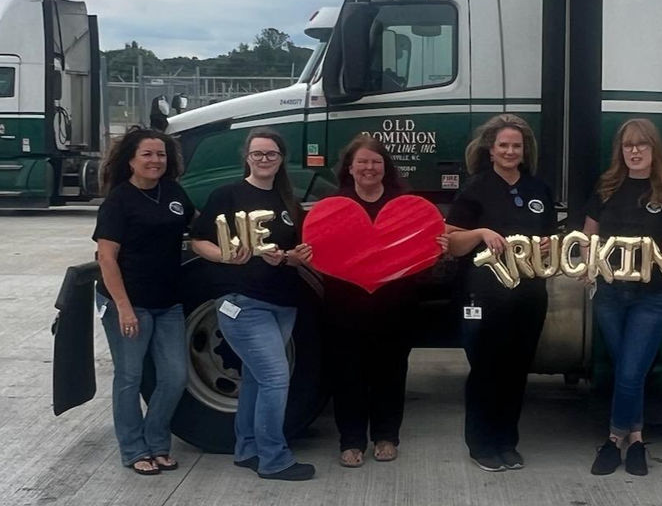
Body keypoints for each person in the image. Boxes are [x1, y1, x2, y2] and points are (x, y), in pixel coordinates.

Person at [584, 119, 662, 477]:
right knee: (630, 370)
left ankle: (613, 440)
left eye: (642, 145)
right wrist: (583, 264)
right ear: (620, 150)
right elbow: (587, 237)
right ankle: (637, 439)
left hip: (654, 298)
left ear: (654, 150)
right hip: (610, 295)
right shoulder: (606, 189)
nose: (635, 151)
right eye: (628, 145)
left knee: (629, 371)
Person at [190, 128, 317, 481]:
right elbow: (198, 241)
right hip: (242, 303)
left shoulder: (287, 203)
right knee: (276, 378)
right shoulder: (227, 195)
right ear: (246, 157)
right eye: (258, 154)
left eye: (271, 154)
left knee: (257, 380)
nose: (264, 159)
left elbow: (295, 256)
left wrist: (294, 256)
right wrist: (227, 257)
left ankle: (247, 448)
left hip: (283, 302)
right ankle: (274, 459)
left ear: (281, 159)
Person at [446, 114, 554, 472]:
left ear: (525, 151)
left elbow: (550, 239)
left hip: (529, 296)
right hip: (485, 297)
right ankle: (482, 445)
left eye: (516, 146)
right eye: (503, 145)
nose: (510, 151)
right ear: (490, 150)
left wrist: (548, 247)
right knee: (486, 371)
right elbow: (451, 244)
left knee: (516, 371)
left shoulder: (538, 190)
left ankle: (507, 442)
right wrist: (481, 233)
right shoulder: (475, 188)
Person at [320, 135, 430, 468]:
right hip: (344, 307)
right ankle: (351, 441)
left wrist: (433, 243)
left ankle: (386, 436)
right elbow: (319, 251)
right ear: (349, 168)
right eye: (363, 162)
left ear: (386, 168)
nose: (369, 168)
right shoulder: (332, 207)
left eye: (376, 162)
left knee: (391, 372)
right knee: (347, 374)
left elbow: (421, 251)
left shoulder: (406, 205)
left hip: (395, 306)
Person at [91, 126, 192, 475]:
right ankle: (134, 449)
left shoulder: (174, 192)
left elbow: (197, 233)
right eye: (147, 154)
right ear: (131, 160)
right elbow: (106, 258)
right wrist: (123, 308)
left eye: (161, 154)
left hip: (168, 303)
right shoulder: (118, 201)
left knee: (175, 376)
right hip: (129, 303)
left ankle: (157, 441)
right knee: (129, 378)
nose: (155, 160)